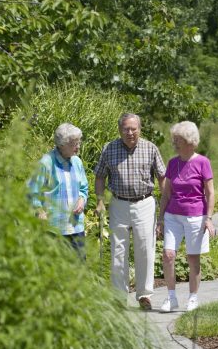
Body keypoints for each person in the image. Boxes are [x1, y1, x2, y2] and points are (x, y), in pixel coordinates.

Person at [94, 113, 166, 310]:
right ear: (120, 130)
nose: (130, 132)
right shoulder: (109, 149)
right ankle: (118, 297)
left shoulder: (150, 148)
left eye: (133, 128)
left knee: (145, 249)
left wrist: (166, 202)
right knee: (118, 251)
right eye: (126, 128)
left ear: (140, 129)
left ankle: (144, 295)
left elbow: (162, 176)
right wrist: (100, 201)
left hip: (145, 203)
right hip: (119, 203)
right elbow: (99, 176)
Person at [156, 121, 215, 312]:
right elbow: (166, 193)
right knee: (168, 254)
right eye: (174, 138)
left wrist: (209, 218)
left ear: (190, 140)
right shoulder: (173, 163)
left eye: (178, 139)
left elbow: (210, 193)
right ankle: (171, 298)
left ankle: (193, 297)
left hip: (195, 216)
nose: (174, 142)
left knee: (192, 258)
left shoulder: (203, 162)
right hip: (173, 215)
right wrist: (160, 219)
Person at [27, 123, 88, 259]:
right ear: (62, 145)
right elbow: (32, 190)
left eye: (79, 142)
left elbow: (83, 188)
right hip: (53, 228)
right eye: (74, 144)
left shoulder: (77, 162)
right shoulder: (46, 162)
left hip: (75, 226)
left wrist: (81, 199)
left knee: (79, 272)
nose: (78, 147)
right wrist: (39, 210)